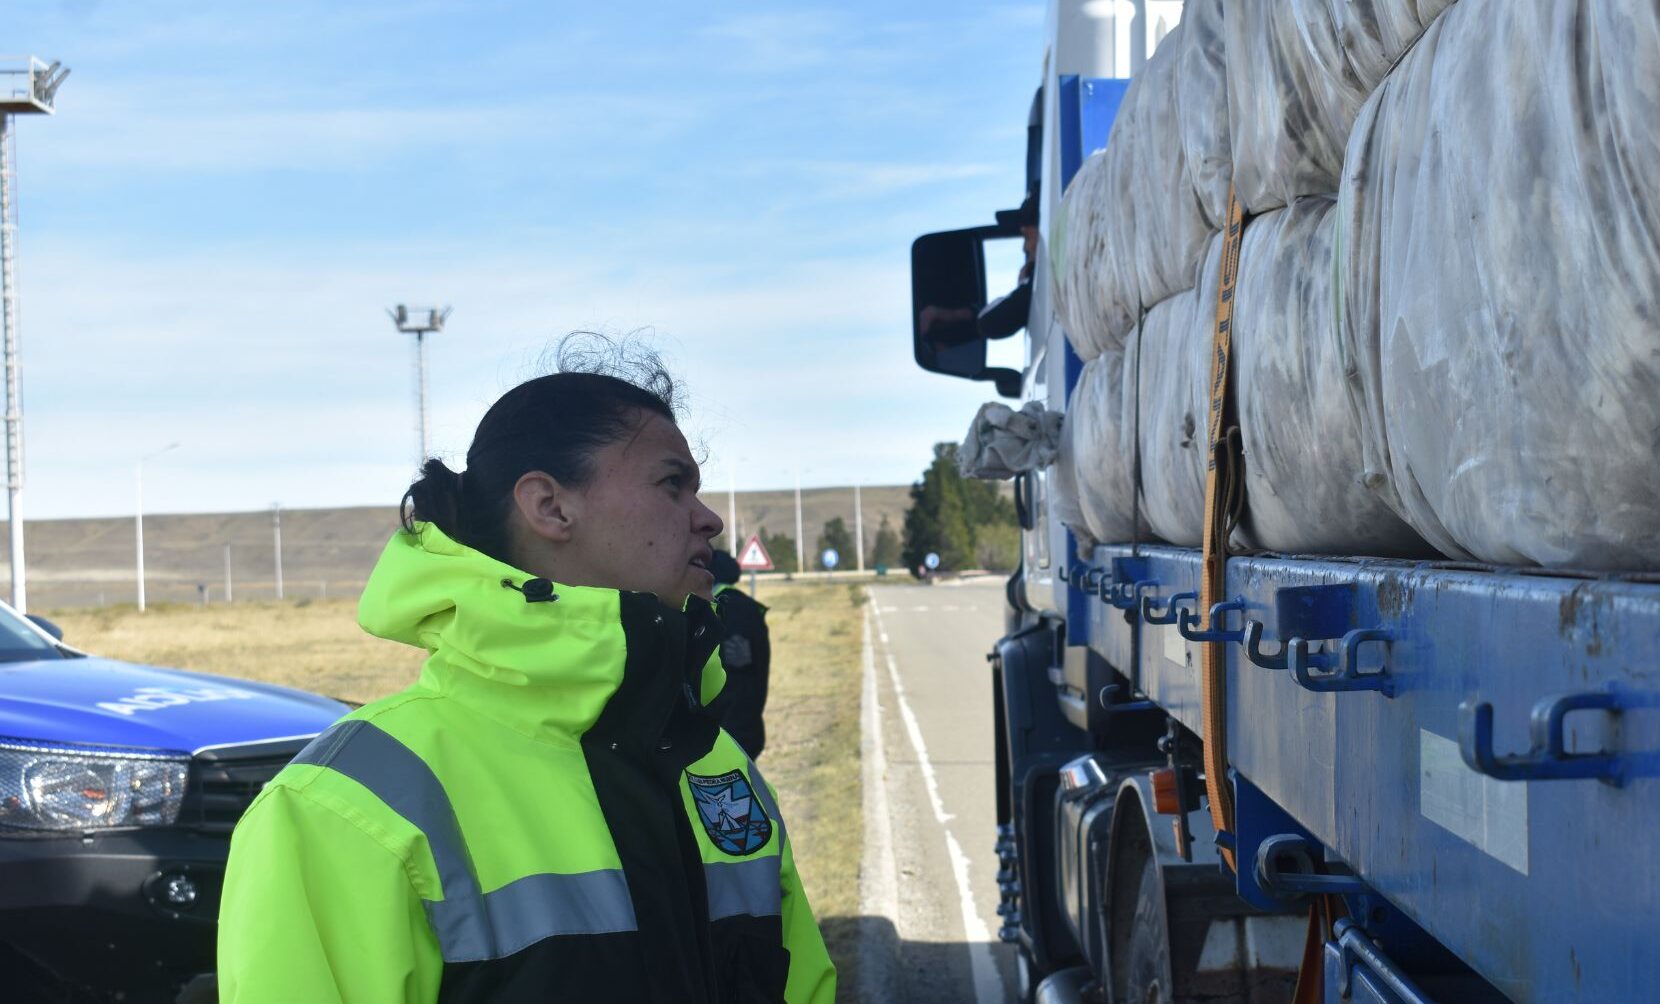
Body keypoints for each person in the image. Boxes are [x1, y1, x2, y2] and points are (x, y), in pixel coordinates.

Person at [217, 342, 835, 1003]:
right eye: (671, 484)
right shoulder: (343, 807)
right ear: (549, 507)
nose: (708, 518)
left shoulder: (716, 765)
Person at [708, 549, 770, 759]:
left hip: (726, 734)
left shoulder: (720, 609)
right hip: (749, 727)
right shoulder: (748, 608)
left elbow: (732, 676)